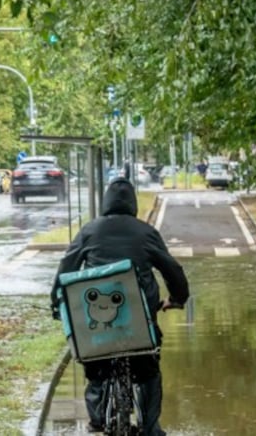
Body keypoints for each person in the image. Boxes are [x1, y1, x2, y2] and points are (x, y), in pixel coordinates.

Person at [51, 177, 190, 435]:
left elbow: (66, 268)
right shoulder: (146, 232)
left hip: (97, 328)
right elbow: (172, 269)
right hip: (139, 320)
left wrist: (56, 304)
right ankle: (150, 427)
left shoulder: (89, 231)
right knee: (148, 370)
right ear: (134, 204)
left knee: (95, 366)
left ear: (105, 203)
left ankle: (96, 420)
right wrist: (178, 298)